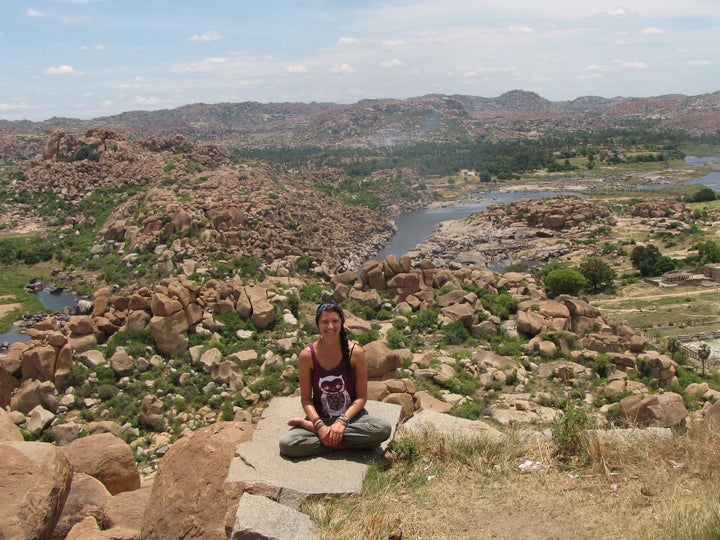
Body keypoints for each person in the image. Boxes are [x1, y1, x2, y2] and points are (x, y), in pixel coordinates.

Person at [279, 300, 393, 458]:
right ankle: (352, 444)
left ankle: (326, 439)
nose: (330, 327)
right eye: (325, 322)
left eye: (335, 321)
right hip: (321, 419)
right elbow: (306, 399)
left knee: (384, 428)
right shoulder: (307, 356)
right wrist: (319, 425)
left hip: (351, 419)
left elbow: (361, 398)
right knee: (287, 444)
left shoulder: (356, 353)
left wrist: (341, 421)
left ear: (342, 323)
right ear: (318, 324)